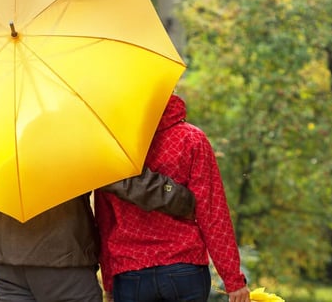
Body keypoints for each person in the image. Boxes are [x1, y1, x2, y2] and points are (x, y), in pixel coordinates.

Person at [95, 94, 250, 302]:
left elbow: (105, 221)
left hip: (130, 272)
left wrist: (110, 283)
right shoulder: (192, 140)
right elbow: (212, 213)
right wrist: (233, 281)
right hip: (184, 268)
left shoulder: (114, 151)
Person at [0, 167, 196, 302]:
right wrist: (181, 200)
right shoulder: (65, 146)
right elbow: (122, 179)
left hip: (5, 269)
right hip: (62, 266)